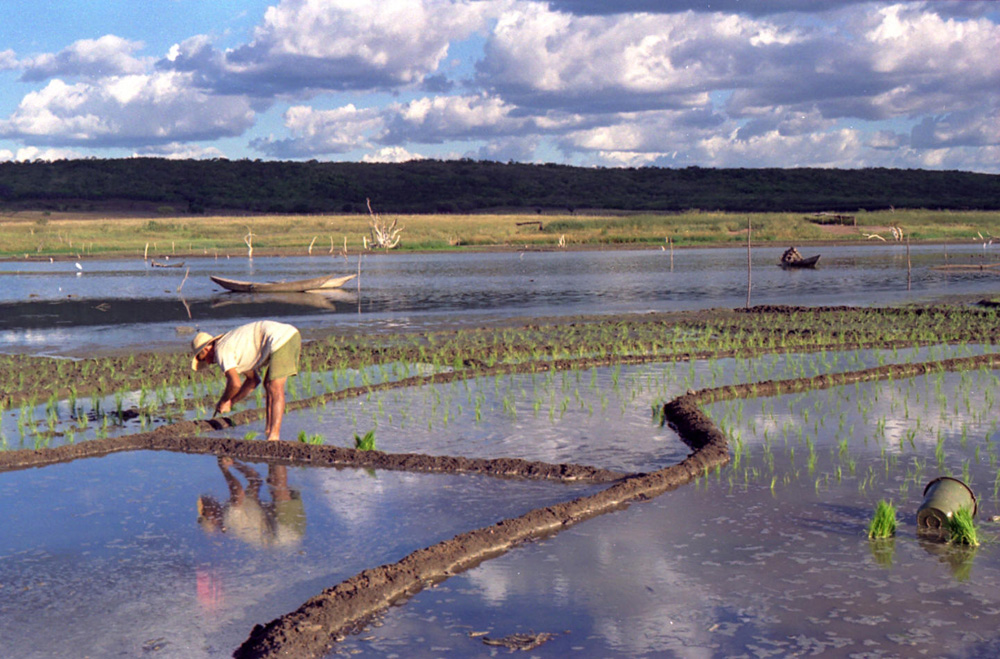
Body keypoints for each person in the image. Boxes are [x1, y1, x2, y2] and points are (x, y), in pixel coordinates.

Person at [191, 320, 301, 441]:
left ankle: (274, 436)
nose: (208, 363)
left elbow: (235, 384)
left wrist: (223, 401)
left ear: (207, 349)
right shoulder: (229, 347)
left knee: (275, 387)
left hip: (281, 339)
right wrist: (231, 402)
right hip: (286, 335)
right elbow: (253, 381)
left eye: (203, 359)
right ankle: (269, 431)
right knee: (268, 384)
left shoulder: (221, 351)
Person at [197, 456, 306, 548]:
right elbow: (237, 491)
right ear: (211, 518)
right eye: (205, 510)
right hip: (283, 534)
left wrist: (234, 463)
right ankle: (276, 446)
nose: (208, 504)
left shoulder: (244, 510)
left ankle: (276, 448)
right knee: (278, 487)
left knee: (274, 483)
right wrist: (225, 470)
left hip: (289, 535)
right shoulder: (228, 520)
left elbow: (255, 480)